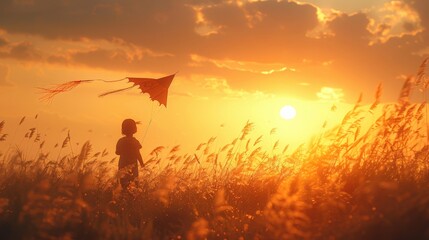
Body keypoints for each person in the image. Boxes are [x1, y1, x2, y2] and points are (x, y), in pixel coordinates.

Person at [116, 119, 144, 190]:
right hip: (133, 168)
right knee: (134, 186)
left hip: (122, 167)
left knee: (124, 186)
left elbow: (117, 152)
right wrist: (142, 163)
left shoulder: (120, 141)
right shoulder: (135, 141)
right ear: (134, 129)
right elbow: (138, 154)